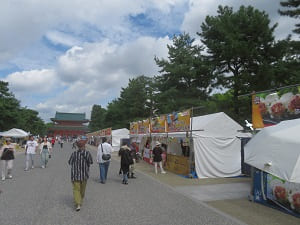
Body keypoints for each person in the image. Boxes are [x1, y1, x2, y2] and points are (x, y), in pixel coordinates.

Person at [68, 139, 93, 211]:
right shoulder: (87, 153)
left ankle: (78, 203)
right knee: (82, 189)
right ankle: (79, 201)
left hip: (75, 174)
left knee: (76, 189)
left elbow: (69, 162)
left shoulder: (74, 154)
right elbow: (91, 162)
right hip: (84, 175)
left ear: (78, 146)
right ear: (84, 146)